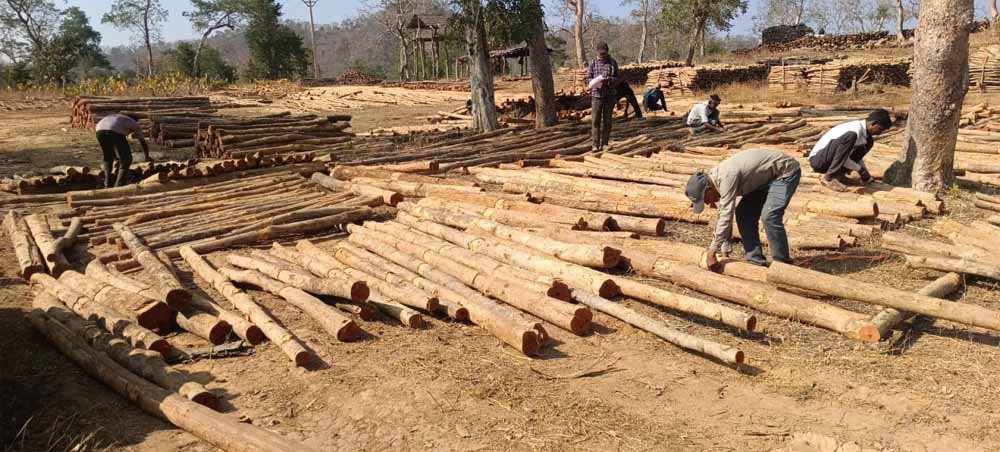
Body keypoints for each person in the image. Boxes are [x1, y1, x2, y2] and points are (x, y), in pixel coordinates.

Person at [685, 149, 802, 268]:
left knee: (769, 216)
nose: (708, 203)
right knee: (743, 214)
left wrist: (712, 251)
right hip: (764, 179)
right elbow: (723, 216)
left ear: (708, 189)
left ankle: (782, 264)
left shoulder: (726, 177)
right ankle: (756, 261)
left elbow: (726, 216)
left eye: (705, 200)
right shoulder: (715, 182)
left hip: (784, 172)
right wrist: (725, 248)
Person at [808, 109, 892, 192]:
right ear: (873, 123)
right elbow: (842, 156)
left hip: (831, 160)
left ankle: (839, 176)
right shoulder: (854, 131)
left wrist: (866, 174)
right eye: (880, 129)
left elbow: (854, 157)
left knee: (869, 142)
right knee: (851, 136)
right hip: (818, 160)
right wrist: (859, 169)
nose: (880, 133)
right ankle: (829, 178)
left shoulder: (864, 135)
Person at [95, 113, 151, 188]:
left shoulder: (119, 118)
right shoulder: (133, 122)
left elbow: (112, 139)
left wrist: (116, 156)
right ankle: (118, 185)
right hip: (114, 131)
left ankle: (107, 183)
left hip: (99, 130)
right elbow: (142, 142)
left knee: (108, 157)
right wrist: (147, 156)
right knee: (126, 159)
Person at [584, 42, 619, 151]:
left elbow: (618, 78)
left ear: (607, 51)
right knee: (595, 121)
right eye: (601, 53)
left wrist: (609, 80)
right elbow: (588, 78)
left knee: (607, 121)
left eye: (604, 53)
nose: (602, 55)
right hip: (596, 96)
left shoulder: (612, 63)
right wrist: (595, 82)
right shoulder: (593, 63)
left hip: (609, 96)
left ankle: (605, 144)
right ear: (597, 52)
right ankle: (595, 144)